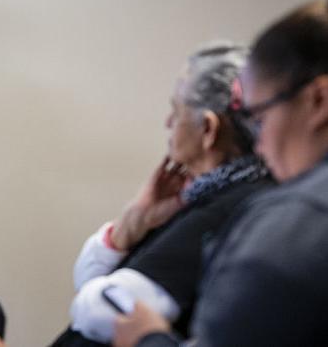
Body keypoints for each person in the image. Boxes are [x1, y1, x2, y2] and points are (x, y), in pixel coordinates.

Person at [113, 0, 328, 347]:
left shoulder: (311, 220)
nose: (259, 143)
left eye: (258, 117)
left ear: (320, 100)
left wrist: (146, 340)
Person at [52, 42, 272, 346]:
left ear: (208, 129)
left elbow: (98, 311)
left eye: (176, 111)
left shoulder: (228, 206)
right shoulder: (207, 192)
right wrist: (133, 223)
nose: (168, 123)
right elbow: (90, 282)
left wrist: (101, 294)